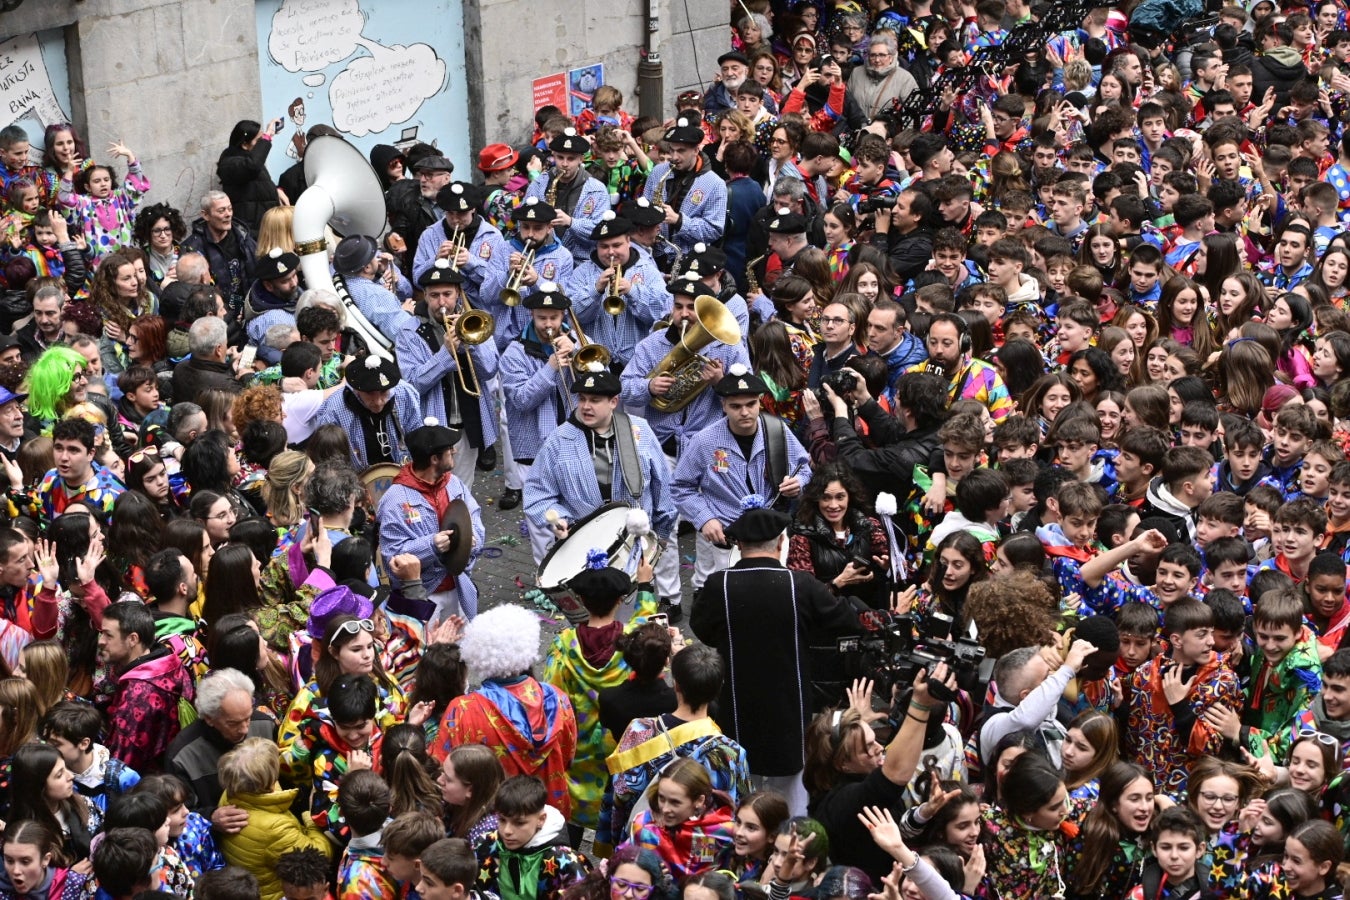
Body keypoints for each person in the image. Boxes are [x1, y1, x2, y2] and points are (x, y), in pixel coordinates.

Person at [691, 504, 863, 815]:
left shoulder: (720, 585)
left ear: (740, 545)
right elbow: (843, 621)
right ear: (781, 543)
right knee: (793, 790)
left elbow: (701, 628)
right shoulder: (801, 585)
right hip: (790, 706)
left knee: (744, 781)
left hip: (737, 704)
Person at [620, 275, 750, 611]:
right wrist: (649, 388)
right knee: (663, 523)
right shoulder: (651, 346)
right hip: (663, 447)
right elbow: (625, 386)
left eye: (692, 308)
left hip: (710, 450)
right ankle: (668, 596)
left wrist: (721, 382)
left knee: (712, 519)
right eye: (678, 307)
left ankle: (706, 588)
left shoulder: (729, 346)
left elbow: (746, 395)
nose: (685, 314)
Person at [523, 366, 677, 604]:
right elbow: (537, 494)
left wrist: (660, 538)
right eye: (582, 399)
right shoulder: (559, 440)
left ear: (614, 402)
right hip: (582, 549)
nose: (586, 406)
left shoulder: (640, 431)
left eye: (595, 400)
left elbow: (662, 488)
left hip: (633, 547)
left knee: (632, 624)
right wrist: (561, 519)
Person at [672, 366, 810, 600]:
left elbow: (803, 466)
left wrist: (798, 482)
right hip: (728, 535)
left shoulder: (777, 430)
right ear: (724, 406)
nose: (744, 412)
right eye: (736, 406)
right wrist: (704, 518)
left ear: (759, 403)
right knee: (735, 599)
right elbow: (680, 487)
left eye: (750, 404)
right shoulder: (704, 441)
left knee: (775, 596)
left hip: (771, 531)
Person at [598, 643, 751, 850]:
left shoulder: (639, 731)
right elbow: (736, 812)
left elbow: (620, 796)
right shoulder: (730, 753)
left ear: (676, 684)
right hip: (698, 858)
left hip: (644, 849)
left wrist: (617, 842)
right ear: (719, 688)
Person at [436, 605, 578, 819]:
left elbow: (444, 768)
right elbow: (568, 755)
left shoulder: (464, 710)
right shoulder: (558, 699)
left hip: (491, 819)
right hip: (547, 812)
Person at [395, 261, 500, 487]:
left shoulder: (475, 319)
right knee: (430, 487)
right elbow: (413, 383)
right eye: (434, 295)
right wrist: (446, 354)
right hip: (431, 426)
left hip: (467, 423)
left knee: (462, 488)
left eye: (447, 294)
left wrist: (471, 344)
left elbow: (490, 369)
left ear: (458, 294)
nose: (442, 302)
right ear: (424, 295)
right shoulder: (409, 331)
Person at [376, 418, 484, 621]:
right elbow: (392, 556)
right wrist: (431, 545)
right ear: (435, 459)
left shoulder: (455, 484)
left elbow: (475, 518)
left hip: (458, 587)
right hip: (424, 595)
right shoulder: (395, 500)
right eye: (449, 449)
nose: (455, 451)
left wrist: (474, 538)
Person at [164, 667, 277, 831]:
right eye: (233, 723)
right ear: (209, 718)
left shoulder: (266, 725)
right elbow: (177, 814)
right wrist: (210, 817)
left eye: (248, 718)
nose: (245, 729)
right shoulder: (181, 756)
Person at [96, 600, 195, 774]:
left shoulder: (138, 694)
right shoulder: (169, 660)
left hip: (151, 787)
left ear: (133, 639)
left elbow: (122, 766)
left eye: (108, 635)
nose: (101, 641)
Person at [566, 213, 670, 370]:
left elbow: (661, 315)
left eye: (616, 245)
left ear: (628, 241)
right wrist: (596, 290)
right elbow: (573, 316)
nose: (611, 252)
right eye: (604, 246)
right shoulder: (581, 273)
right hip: (596, 362)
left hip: (637, 363)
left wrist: (632, 291)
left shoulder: (648, 271)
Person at [642, 117, 728, 269]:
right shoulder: (658, 172)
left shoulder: (716, 184)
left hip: (691, 260)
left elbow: (714, 230)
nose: (674, 157)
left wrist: (679, 220)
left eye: (681, 151)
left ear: (696, 150)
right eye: (672, 150)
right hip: (656, 256)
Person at [312, 354, 423, 470]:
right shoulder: (332, 412)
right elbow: (329, 465)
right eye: (369, 393)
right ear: (356, 390)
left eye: (384, 392)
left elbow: (417, 438)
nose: (378, 402)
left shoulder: (406, 394)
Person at [524, 128, 611, 265]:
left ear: (581, 159)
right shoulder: (539, 183)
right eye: (560, 157)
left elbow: (602, 230)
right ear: (553, 155)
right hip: (542, 259)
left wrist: (571, 222)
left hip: (582, 262)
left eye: (571, 158)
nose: (564, 164)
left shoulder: (597, 189)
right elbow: (522, 221)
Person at [180, 191, 258, 313]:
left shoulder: (243, 237)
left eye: (230, 209)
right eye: (221, 211)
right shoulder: (193, 248)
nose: (228, 214)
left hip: (249, 306)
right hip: (217, 312)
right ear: (205, 215)